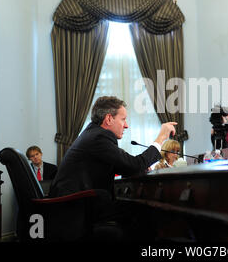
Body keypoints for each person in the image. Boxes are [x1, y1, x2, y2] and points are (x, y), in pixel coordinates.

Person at [48, 96, 176, 239]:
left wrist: (137, 167)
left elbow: (127, 166)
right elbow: (134, 165)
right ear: (109, 119)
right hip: (74, 208)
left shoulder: (93, 134)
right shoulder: (99, 137)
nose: (126, 125)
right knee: (146, 208)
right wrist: (161, 138)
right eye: (123, 119)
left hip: (75, 205)